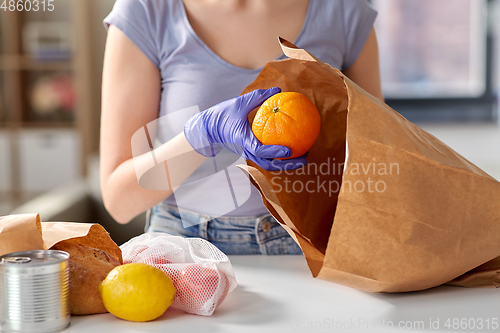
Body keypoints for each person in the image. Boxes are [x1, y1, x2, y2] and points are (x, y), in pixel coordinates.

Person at [101, 0, 383, 255]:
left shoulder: (346, 12)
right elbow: (120, 201)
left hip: (318, 245)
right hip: (185, 252)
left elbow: (379, 166)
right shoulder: (147, 11)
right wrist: (201, 137)